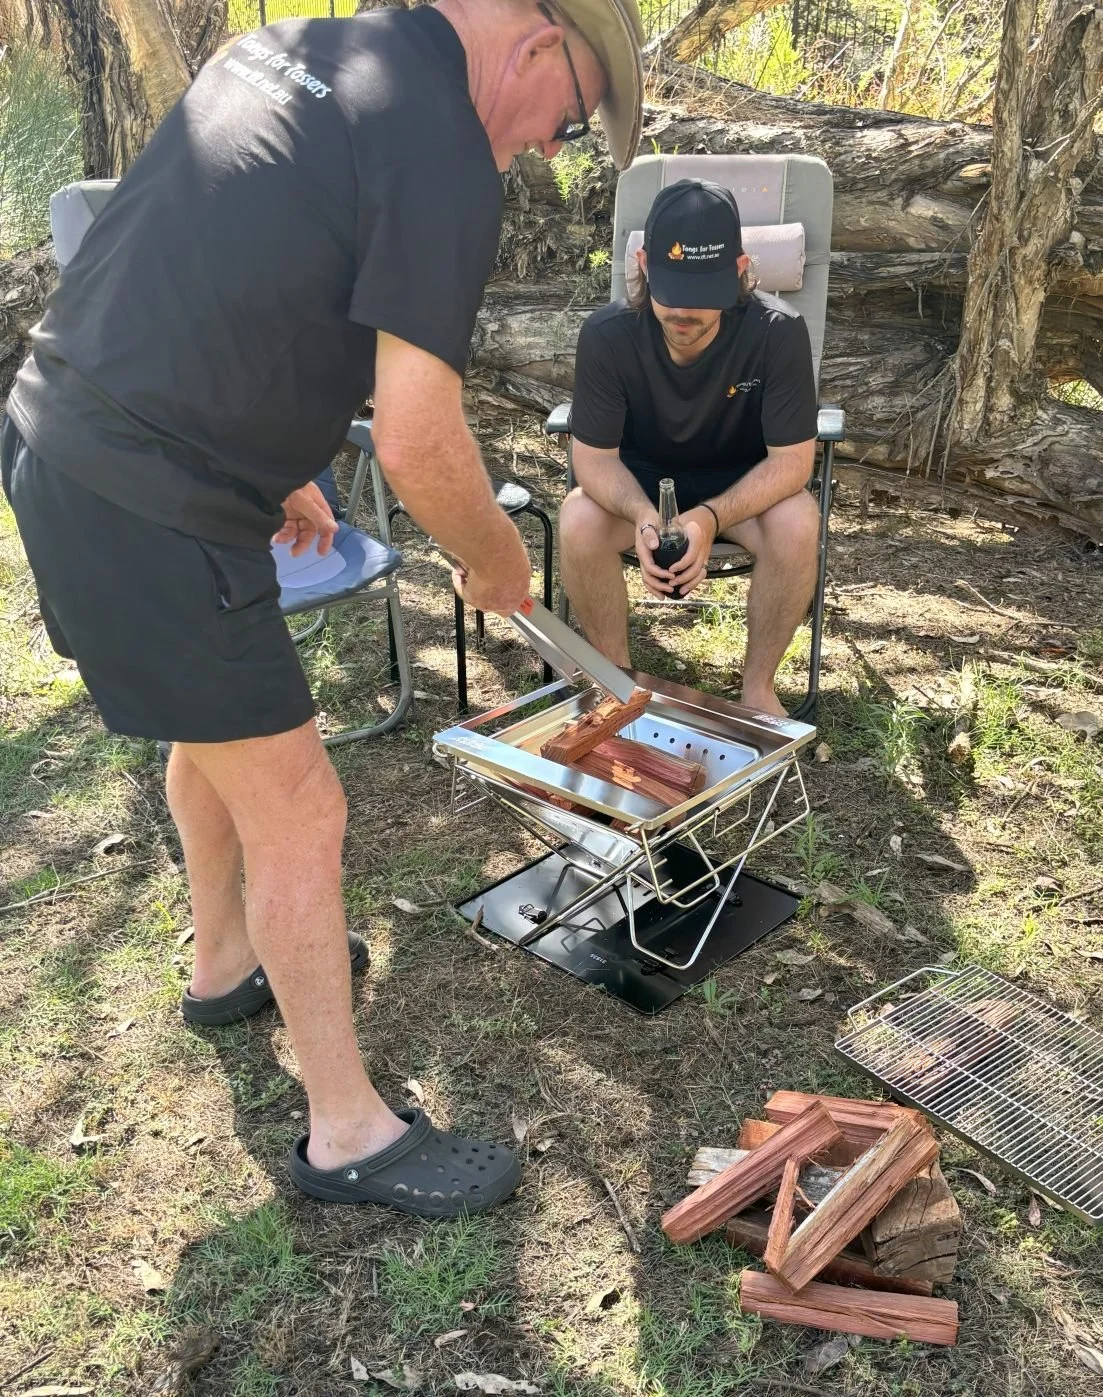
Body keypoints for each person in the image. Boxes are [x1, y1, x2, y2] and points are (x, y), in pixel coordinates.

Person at [1, 0, 643, 1218]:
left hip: (58, 439)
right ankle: (349, 1131)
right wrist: (497, 563)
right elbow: (415, 435)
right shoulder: (445, 147)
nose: (536, 153)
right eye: (558, 127)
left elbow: (208, 268)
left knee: (219, 731)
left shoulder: (287, 49)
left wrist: (274, 453)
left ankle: (223, 962)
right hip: (149, 499)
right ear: (539, 43)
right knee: (302, 807)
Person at [559, 178, 820, 717]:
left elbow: (793, 462)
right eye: (674, 294)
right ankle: (615, 682)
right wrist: (642, 514)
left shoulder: (779, 333)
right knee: (578, 518)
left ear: (742, 269)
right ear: (645, 264)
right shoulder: (608, 337)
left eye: (705, 297)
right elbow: (593, 461)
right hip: (640, 488)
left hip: (741, 491)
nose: (686, 315)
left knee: (799, 520)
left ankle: (757, 687)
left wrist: (707, 517)